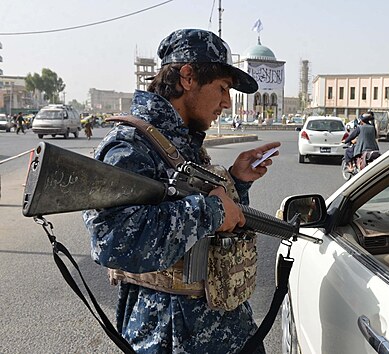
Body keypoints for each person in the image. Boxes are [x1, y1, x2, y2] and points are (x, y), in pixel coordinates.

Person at [82, 29, 279, 353]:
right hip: (171, 337)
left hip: (223, 330)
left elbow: (200, 229)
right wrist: (211, 211)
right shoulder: (130, 145)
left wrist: (236, 181)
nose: (227, 103)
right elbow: (113, 240)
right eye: (223, 88)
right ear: (187, 77)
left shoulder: (178, 141)